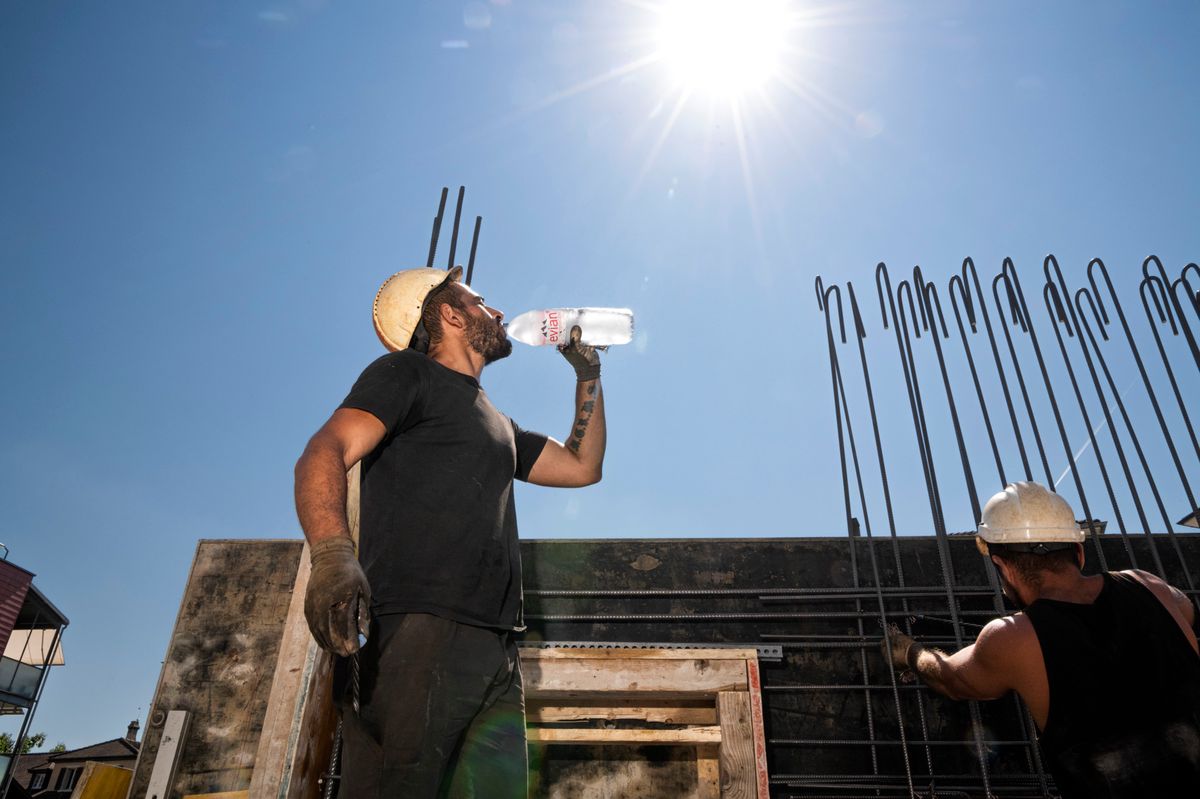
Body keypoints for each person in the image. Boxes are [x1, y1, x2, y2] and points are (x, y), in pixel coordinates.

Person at [294, 265, 606, 797]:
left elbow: (581, 467)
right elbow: (325, 451)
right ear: (450, 313)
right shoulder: (407, 375)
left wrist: (588, 375)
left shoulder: (496, 421)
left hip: (495, 648)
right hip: (419, 631)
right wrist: (331, 555)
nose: (500, 312)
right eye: (482, 301)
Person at [882, 481, 1200, 798]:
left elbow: (951, 679)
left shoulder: (1015, 638)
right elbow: (1186, 614)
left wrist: (909, 652)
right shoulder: (1150, 586)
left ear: (1002, 566)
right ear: (1078, 550)